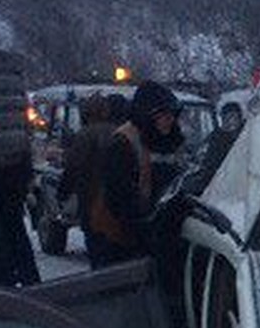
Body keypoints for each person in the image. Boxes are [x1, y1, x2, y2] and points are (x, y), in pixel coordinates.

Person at [89, 80, 183, 268]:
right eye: (162, 115)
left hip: (155, 232)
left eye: (172, 114)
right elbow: (119, 195)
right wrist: (145, 230)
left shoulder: (171, 141)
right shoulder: (124, 142)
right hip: (117, 238)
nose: (169, 120)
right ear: (147, 114)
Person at [59, 91, 119, 268]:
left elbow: (73, 168)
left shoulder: (84, 136)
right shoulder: (119, 132)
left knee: (96, 251)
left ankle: (101, 288)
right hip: (116, 203)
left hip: (91, 202)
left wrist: (63, 192)